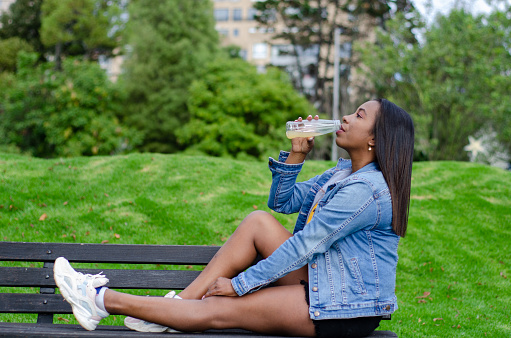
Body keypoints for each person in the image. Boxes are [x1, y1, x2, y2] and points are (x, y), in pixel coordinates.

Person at [54, 98, 414, 337]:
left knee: (220, 307)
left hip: (344, 307)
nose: (347, 117)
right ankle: (174, 308)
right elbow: (282, 202)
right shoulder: (343, 174)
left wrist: (241, 285)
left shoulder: (366, 190)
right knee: (258, 220)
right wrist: (295, 155)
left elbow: (306, 245)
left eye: (359, 116)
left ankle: (98, 299)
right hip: (326, 277)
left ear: (375, 140)